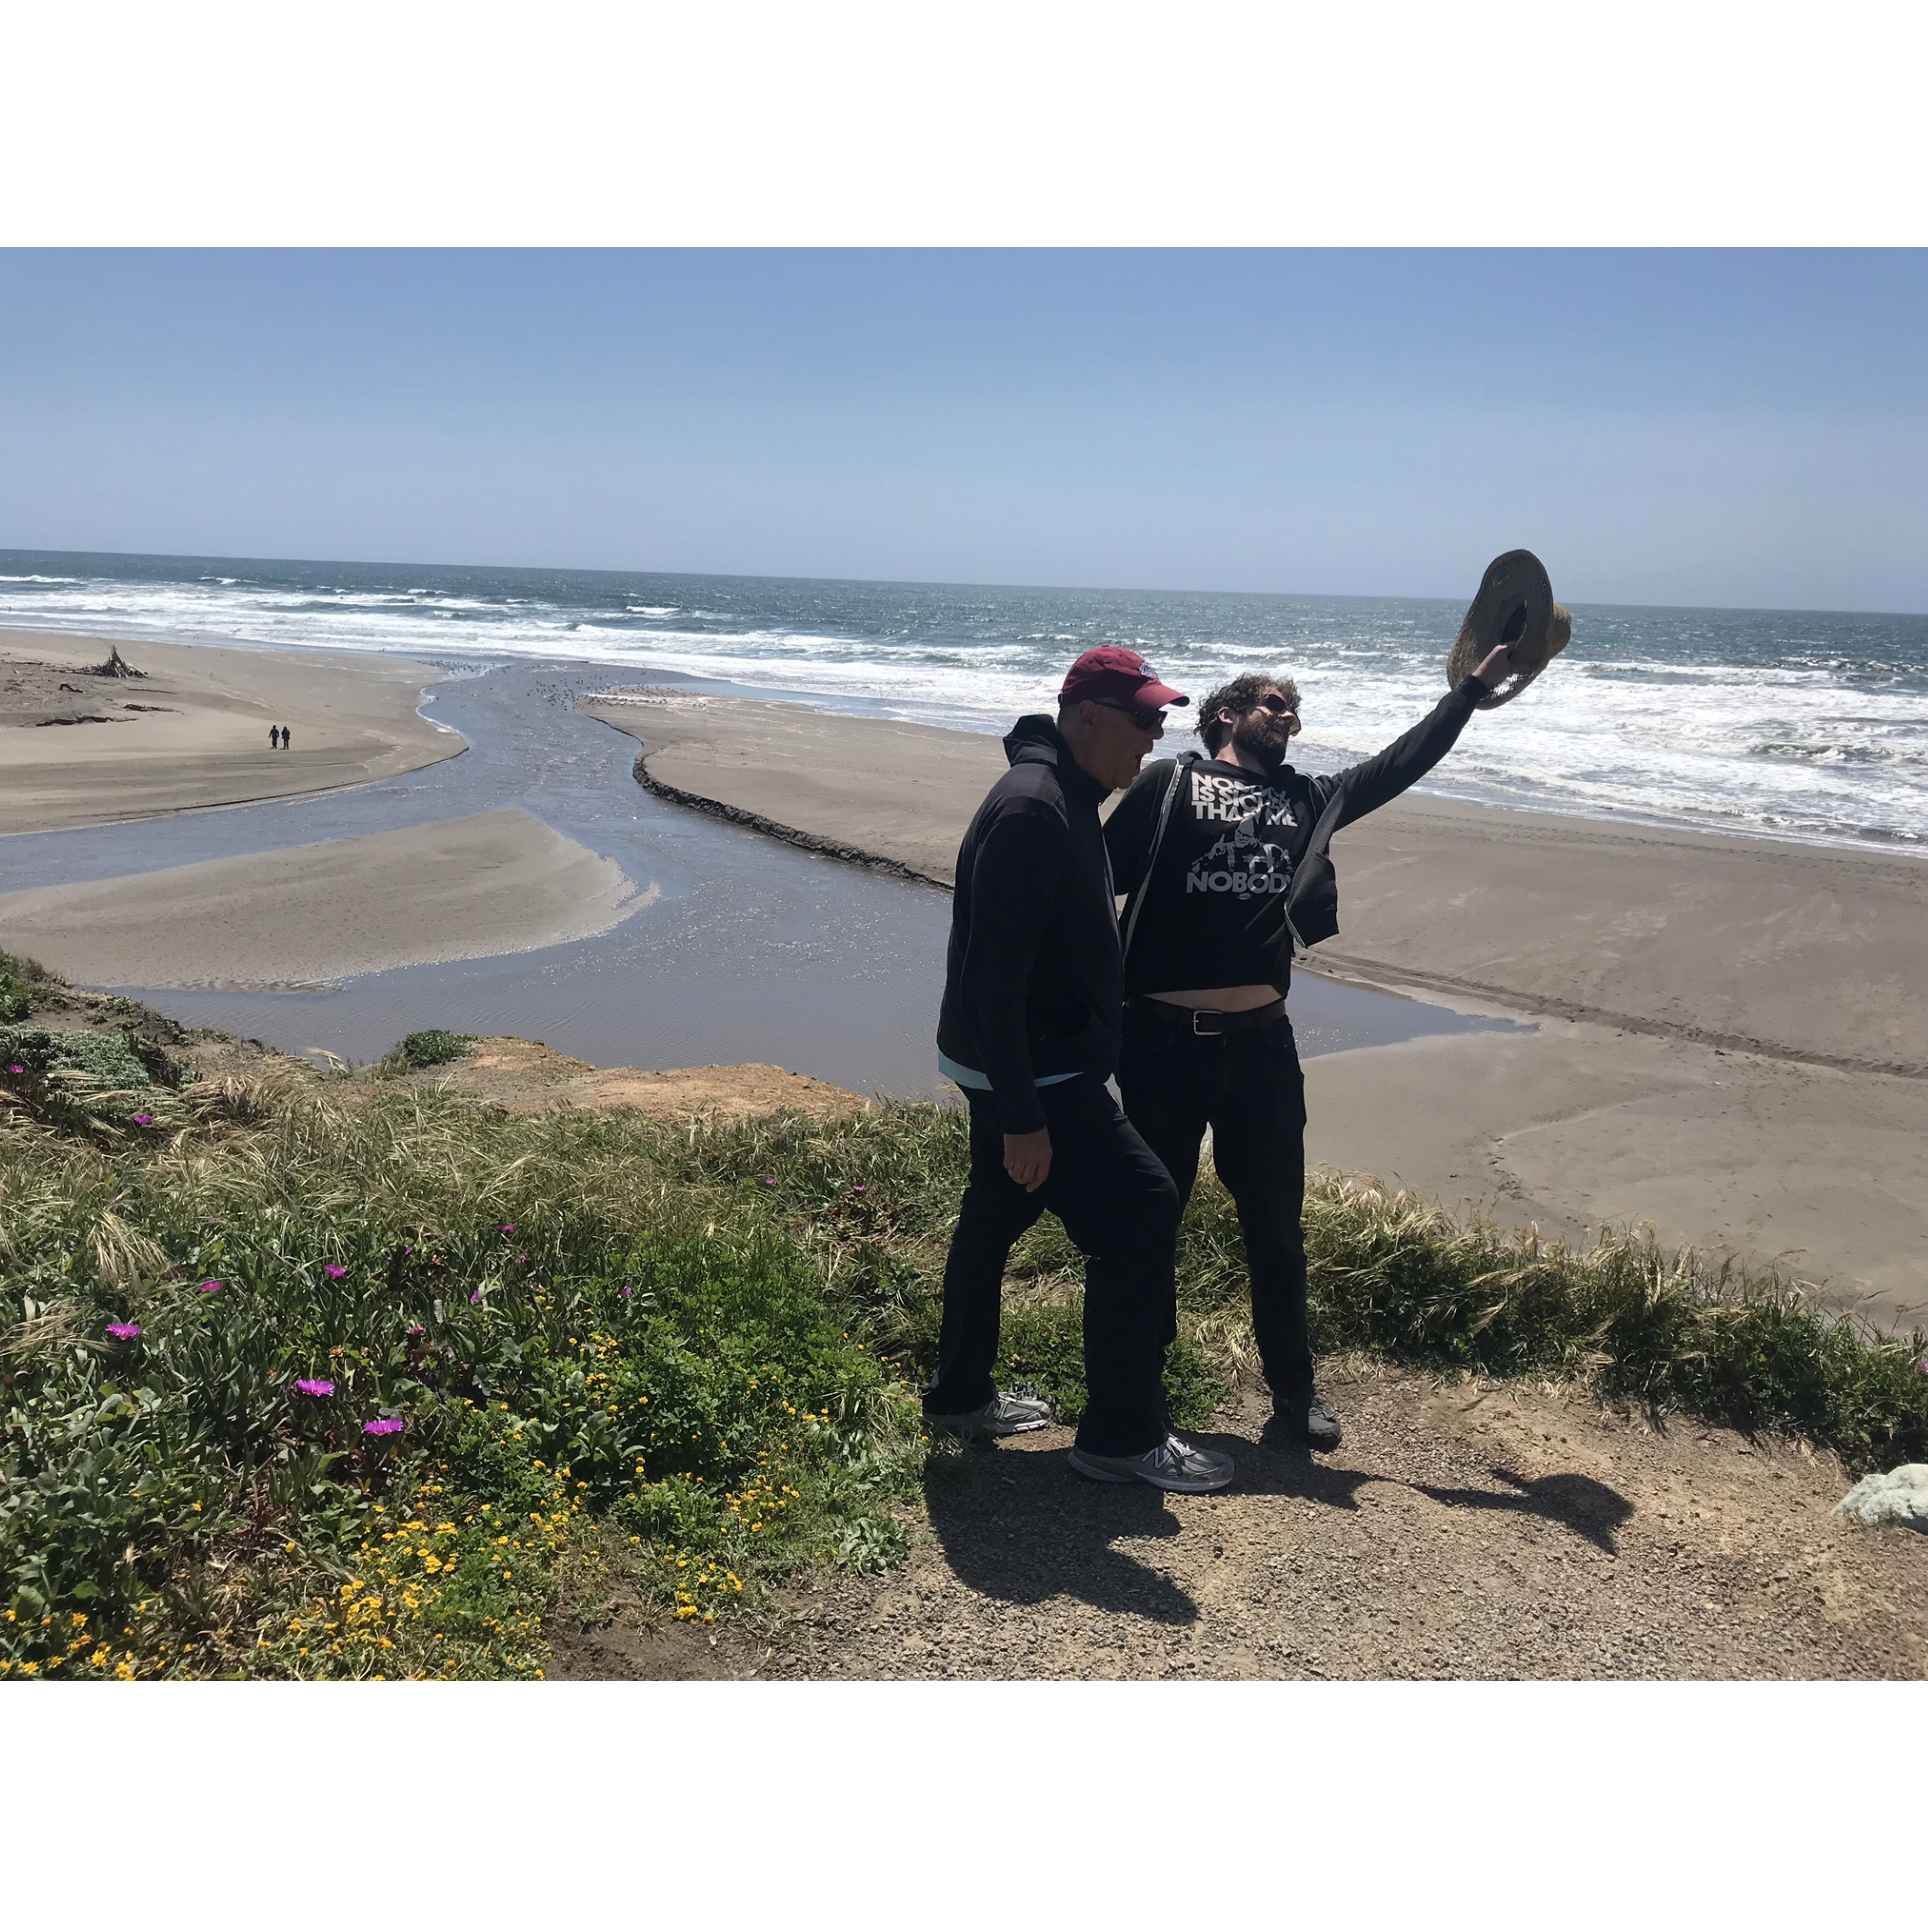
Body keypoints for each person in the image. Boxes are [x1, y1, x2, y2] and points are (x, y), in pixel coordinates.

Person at [1104, 639, 1518, 1452]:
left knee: (1277, 1228)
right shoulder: (1171, 782)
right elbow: (1097, 877)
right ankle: (1141, 1385)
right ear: (1227, 713)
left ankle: (1293, 1393)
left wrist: (1470, 691)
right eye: (1272, 704)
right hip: (1161, 1043)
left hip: (1261, 1049)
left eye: (1294, 709)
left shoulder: (1311, 800)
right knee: (1152, 1221)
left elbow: (1402, 763)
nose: (1289, 718)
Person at [927, 646, 1234, 1494]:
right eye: (1143, 720)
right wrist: (1025, 1115)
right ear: (1086, 715)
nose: (1155, 737)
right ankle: (1120, 1437)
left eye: (1163, 721)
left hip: (1018, 1062)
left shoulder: (1063, 793)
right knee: (1141, 1206)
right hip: (1035, 1071)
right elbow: (993, 977)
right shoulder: (1036, 808)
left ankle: (958, 1397)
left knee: (993, 1217)